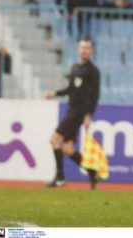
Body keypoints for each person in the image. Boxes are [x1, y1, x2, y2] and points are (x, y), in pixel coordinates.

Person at [45, 38, 100, 189]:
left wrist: (89, 114)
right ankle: (93, 172)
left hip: (78, 112)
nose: (84, 50)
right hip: (72, 109)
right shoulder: (75, 67)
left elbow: (95, 95)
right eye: (82, 47)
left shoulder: (93, 71)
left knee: (54, 139)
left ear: (91, 51)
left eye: (87, 48)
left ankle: (60, 178)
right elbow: (70, 89)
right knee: (68, 149)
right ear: (78, 49)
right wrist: (55, 93)